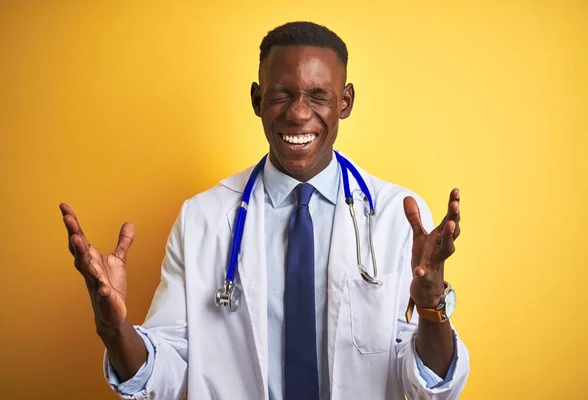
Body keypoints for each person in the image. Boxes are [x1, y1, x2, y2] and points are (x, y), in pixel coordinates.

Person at [60, 21, 469, 400]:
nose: (298, 112)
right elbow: (164, 375)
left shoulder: (397, 217)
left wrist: (433, 307)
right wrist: (115, 331)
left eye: (318, 96)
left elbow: (428, 388)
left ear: (345, 102)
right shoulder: (202, 218)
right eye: (281, 95)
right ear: (257, 99)